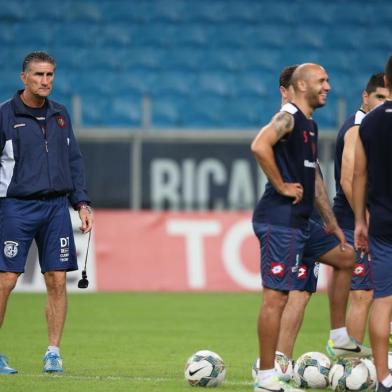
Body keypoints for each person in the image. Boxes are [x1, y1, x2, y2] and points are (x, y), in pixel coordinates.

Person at [251, 63, 363, 392]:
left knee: (346, 257)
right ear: (301, 85)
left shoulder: (309, 124)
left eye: (328, 80)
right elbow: (259, 145)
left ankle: (338, 335)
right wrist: (283, 185)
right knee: (276, 298)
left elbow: (313, 179)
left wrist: (331, 223)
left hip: (303, 221)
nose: (328, 86)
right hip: (279, 220)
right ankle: (266, 378)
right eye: (321, 81)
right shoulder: (287, 116)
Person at [0, 51, 93, 374]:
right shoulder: (4, 116)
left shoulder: (60, 115)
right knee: (6, 279)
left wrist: (81, 203)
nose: (45, 81)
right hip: (16, 207)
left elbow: (74, 162)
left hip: (55, 208)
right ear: (23, 77)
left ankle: (53, 352)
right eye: (38, 75)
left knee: (56, 279)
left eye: (50, 75)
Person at [333, 72, 388, 343]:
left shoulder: (375, 127)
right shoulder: (358, 127)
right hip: (353, 220)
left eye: (388, 98)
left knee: (374, 293)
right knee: (363, 293)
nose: (383, 102)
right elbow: (347, 178)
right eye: (379, 96)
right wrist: (363, 218)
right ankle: (349, 366)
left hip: (366, 220)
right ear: (365, 97)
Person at [353, 54, 392, 392]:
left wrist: (359, 221)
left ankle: (383, 379)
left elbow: (358, 174)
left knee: (383, 299)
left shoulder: (370, 122)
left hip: (381, 223)